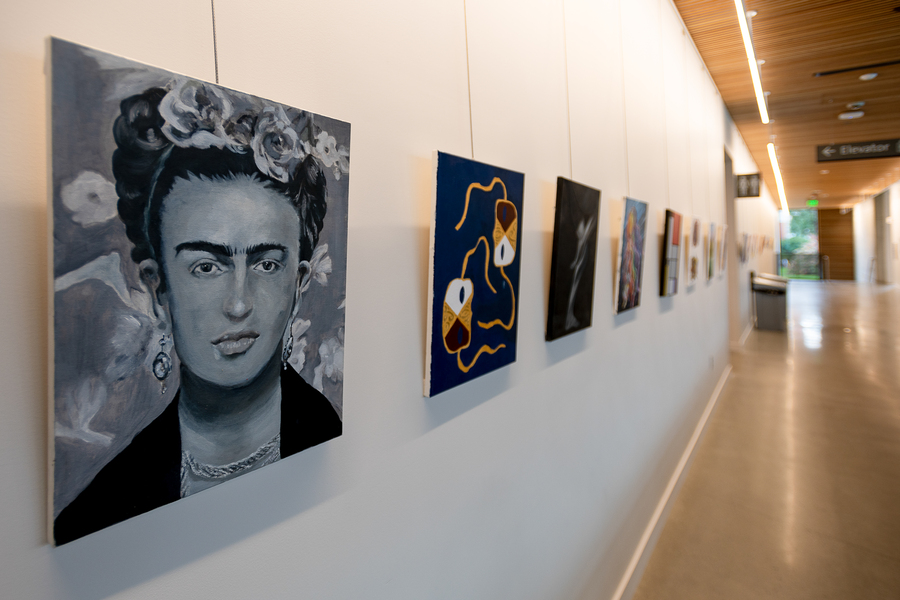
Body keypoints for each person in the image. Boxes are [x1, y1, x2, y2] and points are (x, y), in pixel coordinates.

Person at [54, 80, 342, 545]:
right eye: (206, 266)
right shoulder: (100, 513)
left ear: (300, 282)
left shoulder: (329, 432)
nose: (238, 304)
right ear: (157, 287)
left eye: (267, 264)